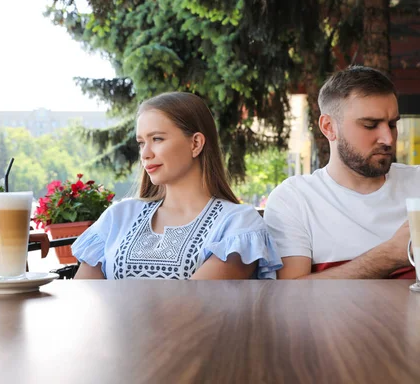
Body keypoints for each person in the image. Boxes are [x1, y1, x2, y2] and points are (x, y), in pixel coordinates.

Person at [264, 66, 420, 279]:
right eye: (370, 125)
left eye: (392, 124)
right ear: (328, 127)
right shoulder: (294, 199)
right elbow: (290, 295)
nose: (388, 139)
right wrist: (389, 256)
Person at [73, 92, 282, 280]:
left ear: (196, 144)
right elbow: (84, 300)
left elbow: (193, 304)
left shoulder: (238, 225)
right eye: (141, 143)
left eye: (157, 139)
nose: (145, 154)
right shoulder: (118, 216)